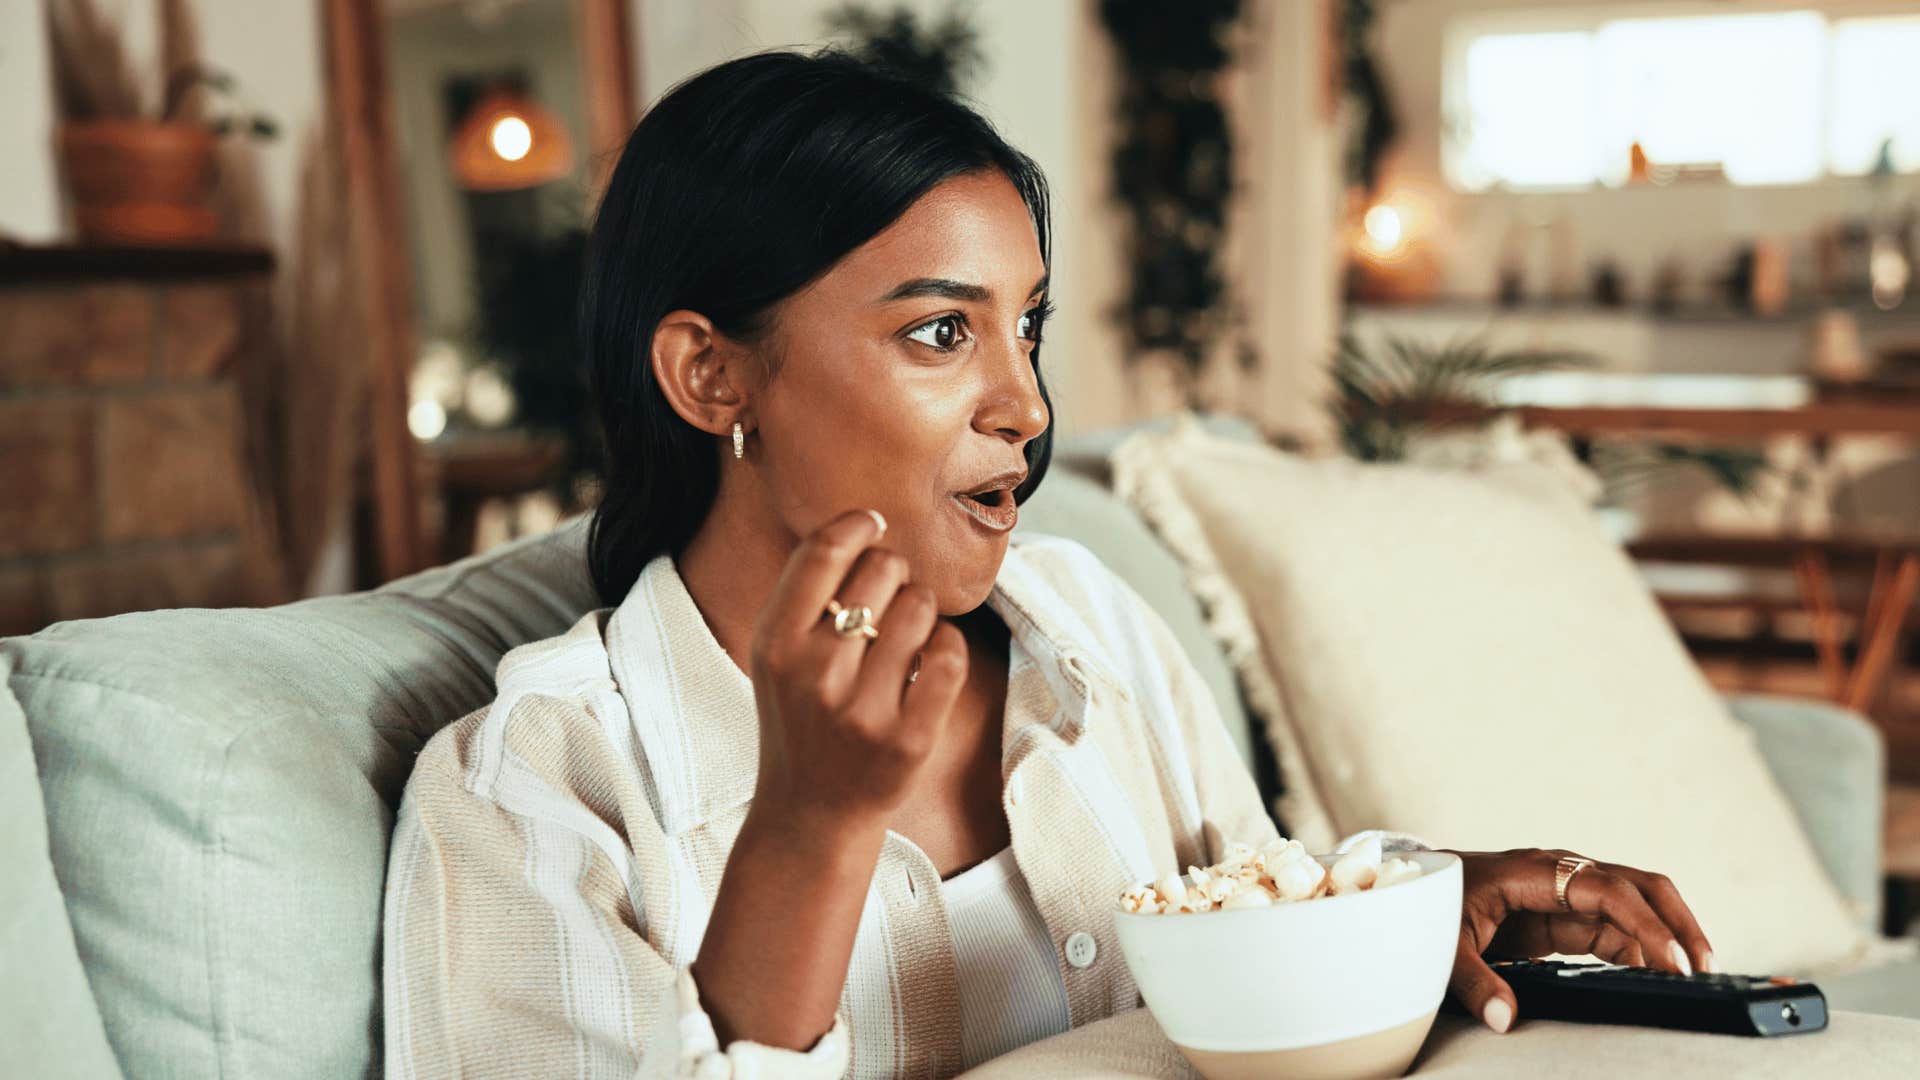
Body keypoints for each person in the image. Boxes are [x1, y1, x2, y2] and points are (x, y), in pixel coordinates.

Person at [381, 50, 1715, 1079]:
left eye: (1026, 327)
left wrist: (1412, 919)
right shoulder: (534, 794)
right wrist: (811, 829)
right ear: (710, 372)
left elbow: (1246, 929)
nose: (1025, 403)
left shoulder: (1088, 624)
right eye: (939, 333)